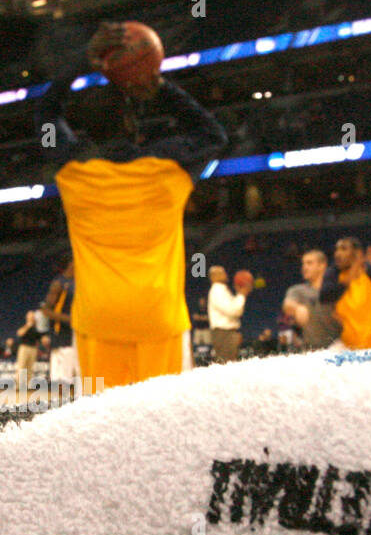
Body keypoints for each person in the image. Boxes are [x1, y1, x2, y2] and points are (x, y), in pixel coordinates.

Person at [37, 22, 227, 392]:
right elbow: (213, 134)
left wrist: (81, 63)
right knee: (163, 428)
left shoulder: (72, 172)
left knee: (103, 428)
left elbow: (46, 114)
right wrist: (160, 86)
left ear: (86, 132)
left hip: (98, 319)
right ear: (131, 123)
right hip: (158, 318)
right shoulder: (166, 168)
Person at [319, 238, 371, 351]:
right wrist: (348, 279)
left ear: (357, 253)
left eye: (344, 249)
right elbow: (324, 297)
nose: (337, 253)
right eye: (336, 249)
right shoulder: (333, 273)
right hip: (351, 342)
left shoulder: (369, 270)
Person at [283, 249, 342, 351]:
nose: (304, 267)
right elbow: (287, 304)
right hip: (311, 351)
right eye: (303, 263)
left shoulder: (337, 289)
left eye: (309, 263)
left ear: (322, 265)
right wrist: (297, 308)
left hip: (339, 348)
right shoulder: (298, 290)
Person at [42, 260, 78, 400]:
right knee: (61, 377)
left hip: (76, 334)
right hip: (61, 334)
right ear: (70, 264)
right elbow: (46, 310)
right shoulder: (59, 283)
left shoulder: (80, 283)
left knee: (73, 375)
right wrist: (69, 319)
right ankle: (60, 407)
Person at [207, 266, 246, 363]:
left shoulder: (222, 290)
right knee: (226, 364)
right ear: (213, 277)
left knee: (229, 363)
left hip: (226, 332)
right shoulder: (217, 291)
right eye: (221, 273)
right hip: (223, 333)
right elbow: (234, 311)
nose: (225, 275)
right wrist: (241, 294)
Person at [15, 311, 40, 387]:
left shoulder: (36, 327)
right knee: (21, 366)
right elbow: (19, 333)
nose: (32, 317)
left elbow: (39, 338)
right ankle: (18, 385)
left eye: (33, 316)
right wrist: (28, 326)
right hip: (24, 348)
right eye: (30, 316)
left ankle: (28, 385)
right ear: (27, 317)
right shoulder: (24, 325)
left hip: (33, 348)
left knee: (30, 367)